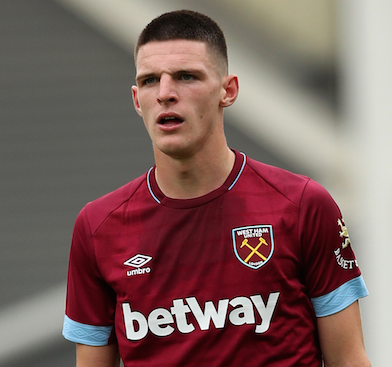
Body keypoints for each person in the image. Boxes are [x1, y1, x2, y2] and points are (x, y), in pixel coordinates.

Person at [62, 9, 370, 367]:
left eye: (186, 76)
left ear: (228, 90)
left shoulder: (303, 205)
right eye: (149, 81)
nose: (165, 93)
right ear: (136, 99)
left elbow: (349, 360)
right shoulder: (98, 227)